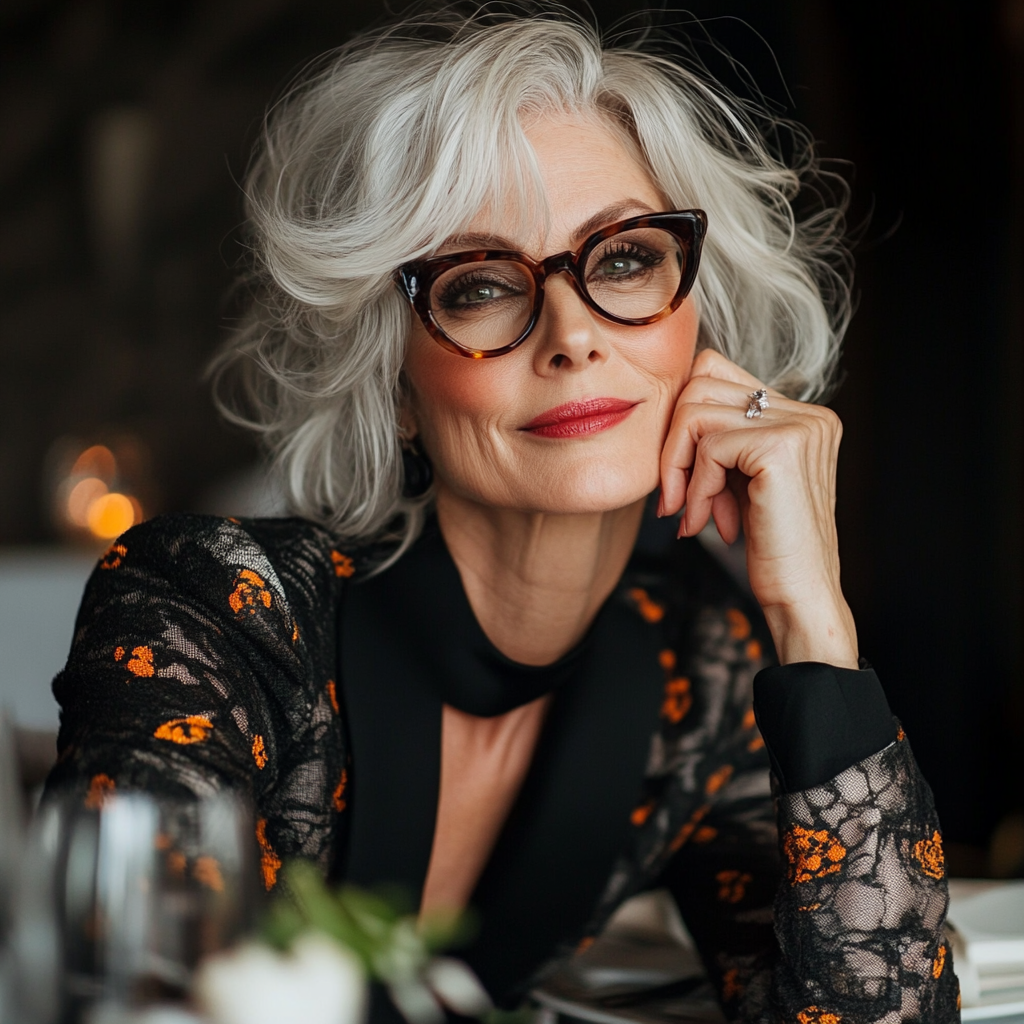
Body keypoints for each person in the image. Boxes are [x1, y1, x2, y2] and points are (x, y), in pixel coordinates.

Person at [46, 7, 960, 1022]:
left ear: (697, 318)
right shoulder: (210, 610)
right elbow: (128, 996)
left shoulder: (694, 660)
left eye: (622, 259)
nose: (571, 335)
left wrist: (814, 629)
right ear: (390, 375)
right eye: (479, 285)